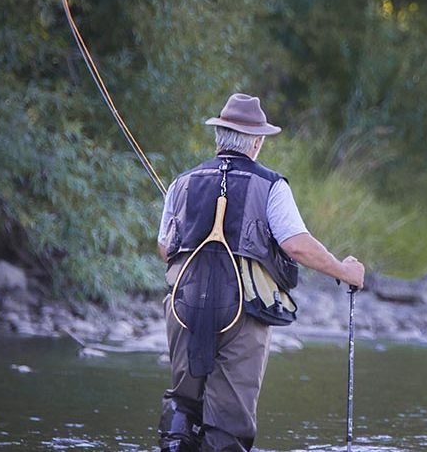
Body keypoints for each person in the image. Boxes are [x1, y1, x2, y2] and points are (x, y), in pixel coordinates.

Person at [156, 92, 365, 452]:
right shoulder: (271, 186)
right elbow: (296, 244)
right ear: (256, 142)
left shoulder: (181, 183)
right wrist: (344, 270)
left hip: (183, 305)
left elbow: (165, 249)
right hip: (243, 312)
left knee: (183, 404)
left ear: (219, 136)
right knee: (228, 422)